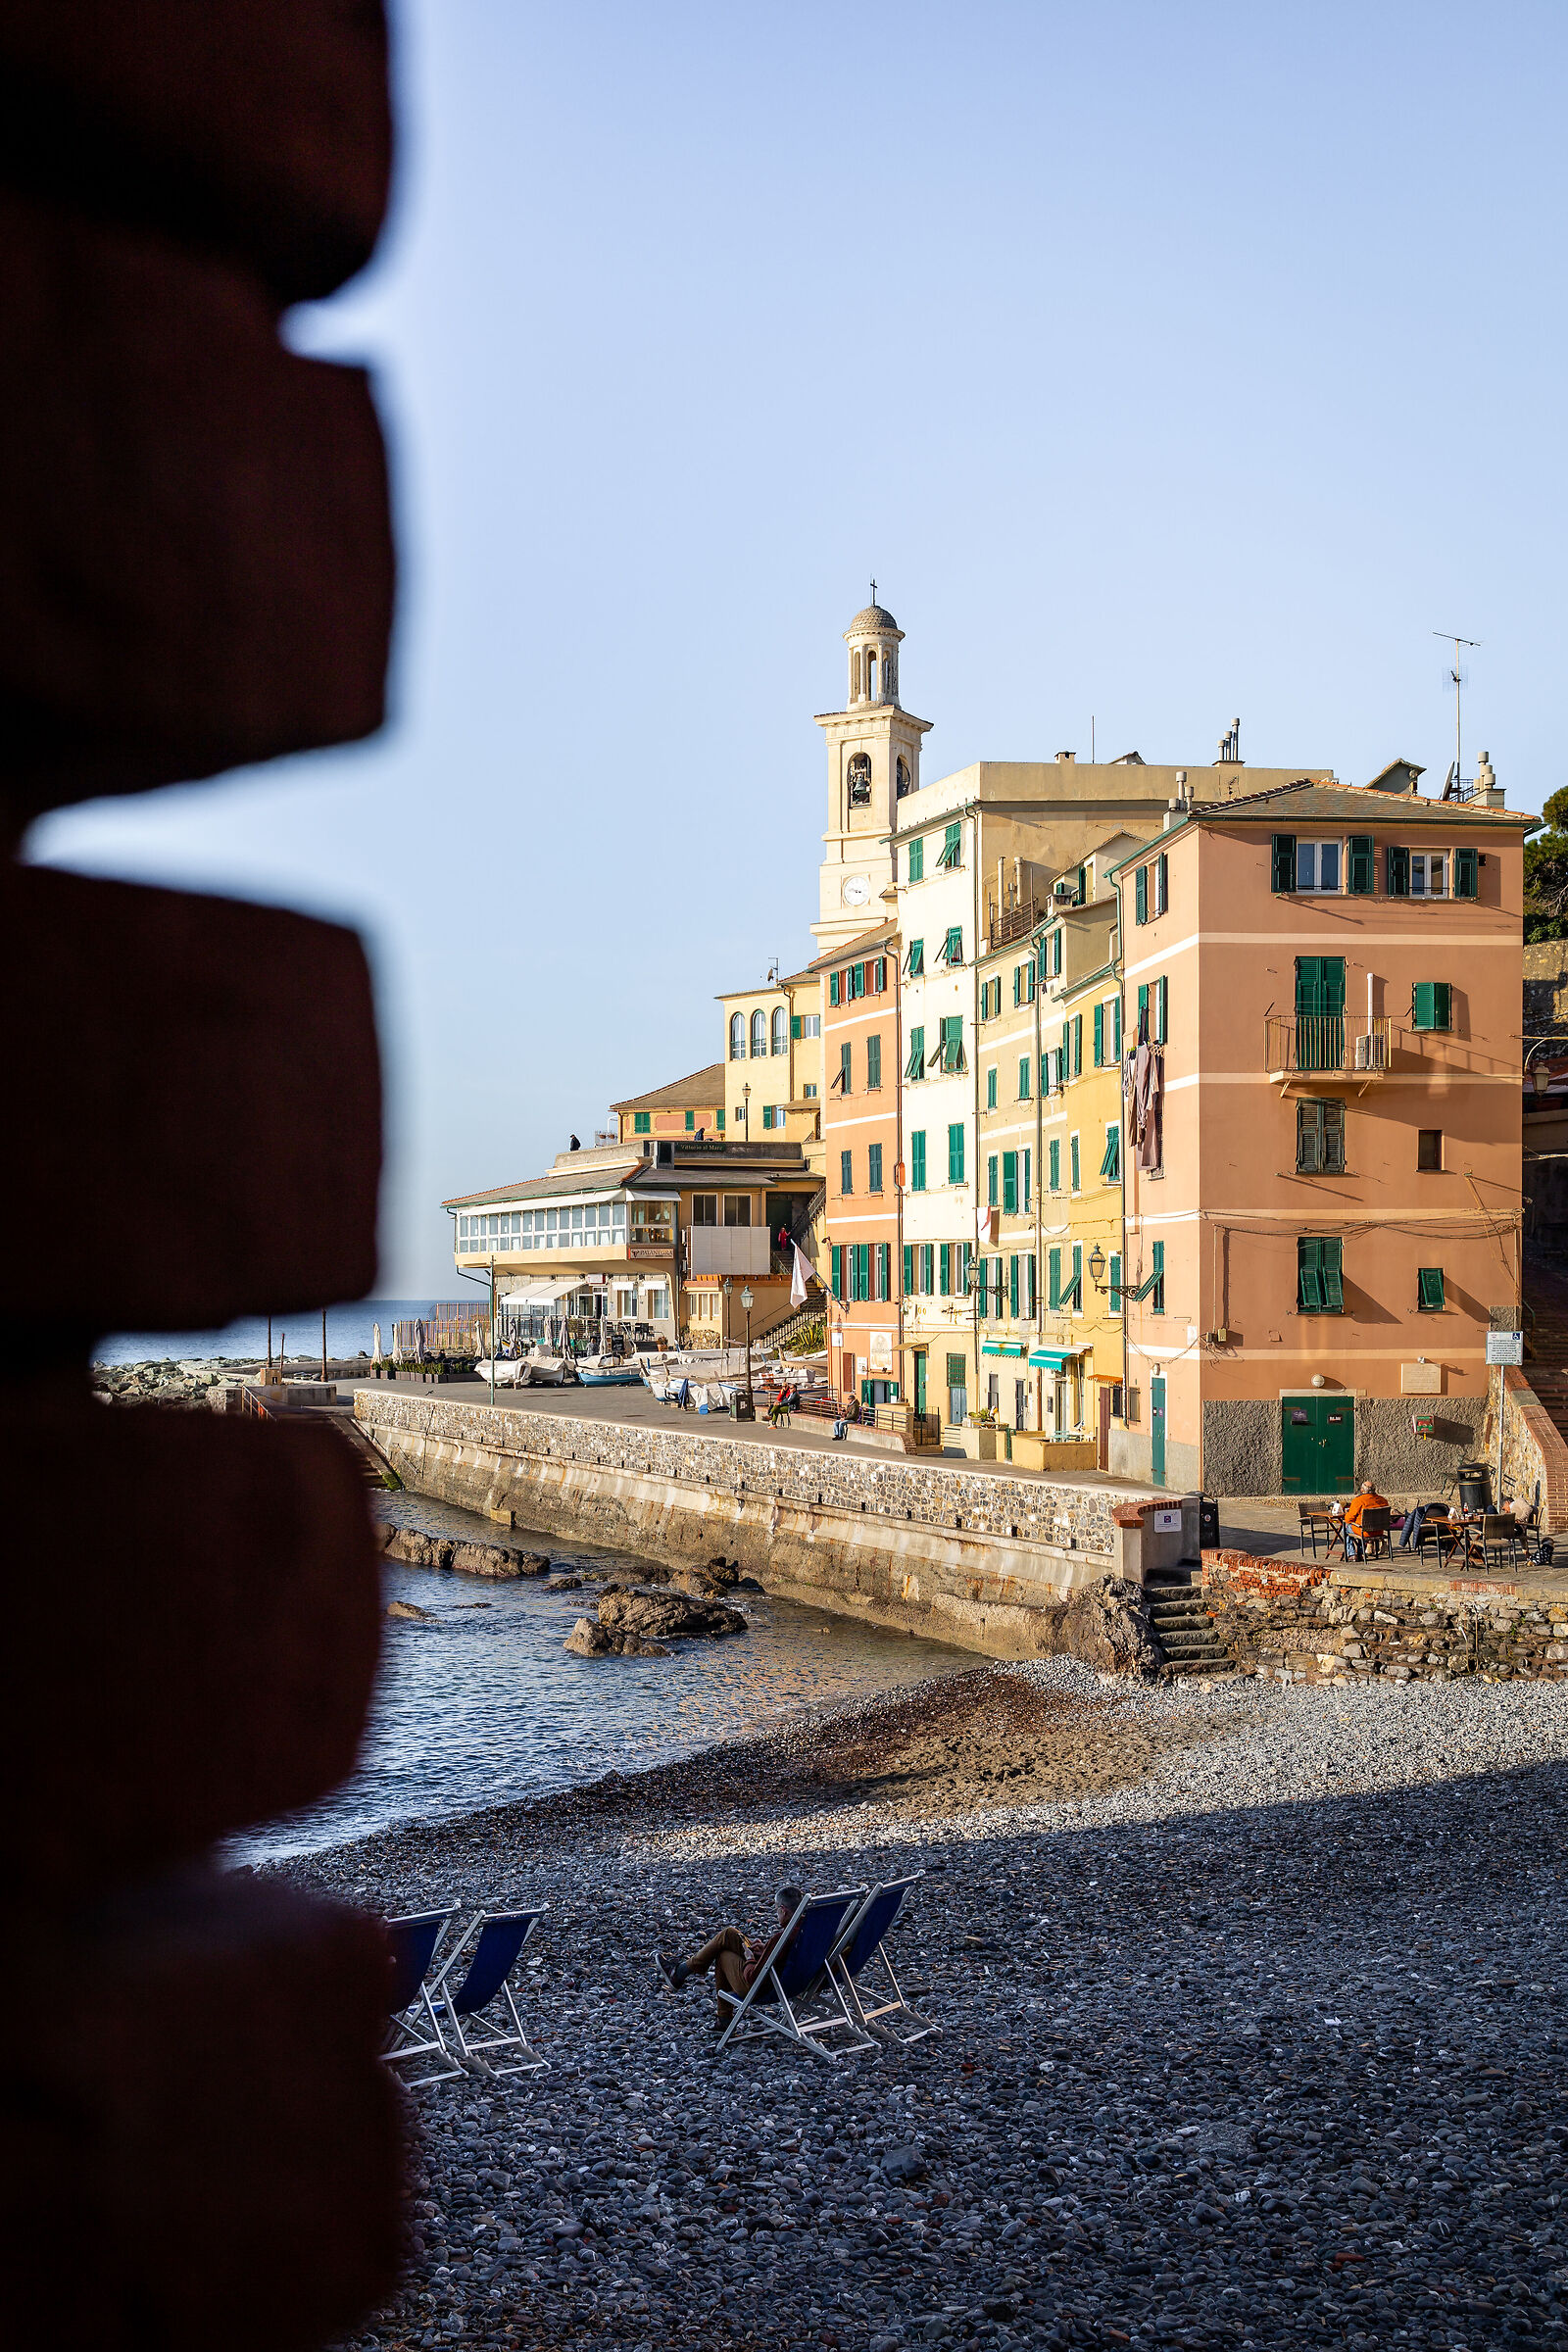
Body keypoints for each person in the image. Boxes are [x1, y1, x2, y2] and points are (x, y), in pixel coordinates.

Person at [656, 1886, 805, 2027]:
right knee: (730, 1934)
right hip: (793, 1982)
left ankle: (723, 2018)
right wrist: (766, 1950)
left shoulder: (781, 1939)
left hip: (764, 1988)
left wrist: (750, 1958)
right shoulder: (807, 1932)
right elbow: (785, 1957)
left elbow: (752, 1977)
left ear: (783, 1910)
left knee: (723, 1955)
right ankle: (680, 1972)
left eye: (776, 1909)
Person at [1341, 1478, 1389, 1560]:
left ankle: (1352, 1554)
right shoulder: (1383, 1500)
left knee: (1345, 1528)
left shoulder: (1358, 1501)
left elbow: (1348, 1519)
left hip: (1365, 1532)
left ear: (1362, 1490)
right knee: (1358, 1527)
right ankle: (1361, 1553)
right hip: (1379, 1531)